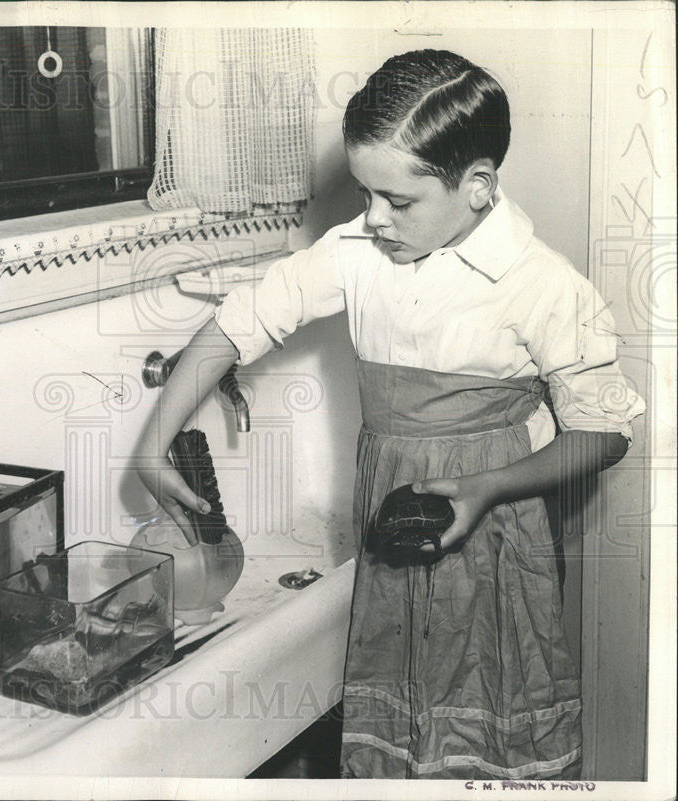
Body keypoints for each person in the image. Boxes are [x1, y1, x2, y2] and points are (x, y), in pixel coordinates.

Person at [134, 49, 644, 779]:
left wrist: (487, 487)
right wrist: (152, 444)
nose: (373, 218)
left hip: (495, 541)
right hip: (391, 540)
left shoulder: (542, 285)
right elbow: (235, 326)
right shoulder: (358, 254)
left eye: (397, 201)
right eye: (366, 193)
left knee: (486, 734)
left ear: (476, 187)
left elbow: (605, 430)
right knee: (400, 735)